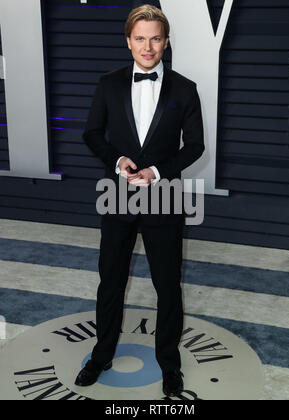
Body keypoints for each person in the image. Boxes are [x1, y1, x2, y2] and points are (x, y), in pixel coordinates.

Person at [75, 4, 205, 397]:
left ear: (166, 42)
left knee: (168, 285)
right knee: (110, 281)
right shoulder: (109, 83)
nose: (147, 47)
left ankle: (170, 364)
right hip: (117, 193)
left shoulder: (185, 89)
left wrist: (157, 172)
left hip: (163, 195)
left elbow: (195, 146)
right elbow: (92, 133)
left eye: (155, 38)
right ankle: (101, 355)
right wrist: (116, 159)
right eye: (140, 38)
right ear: (128, 41)